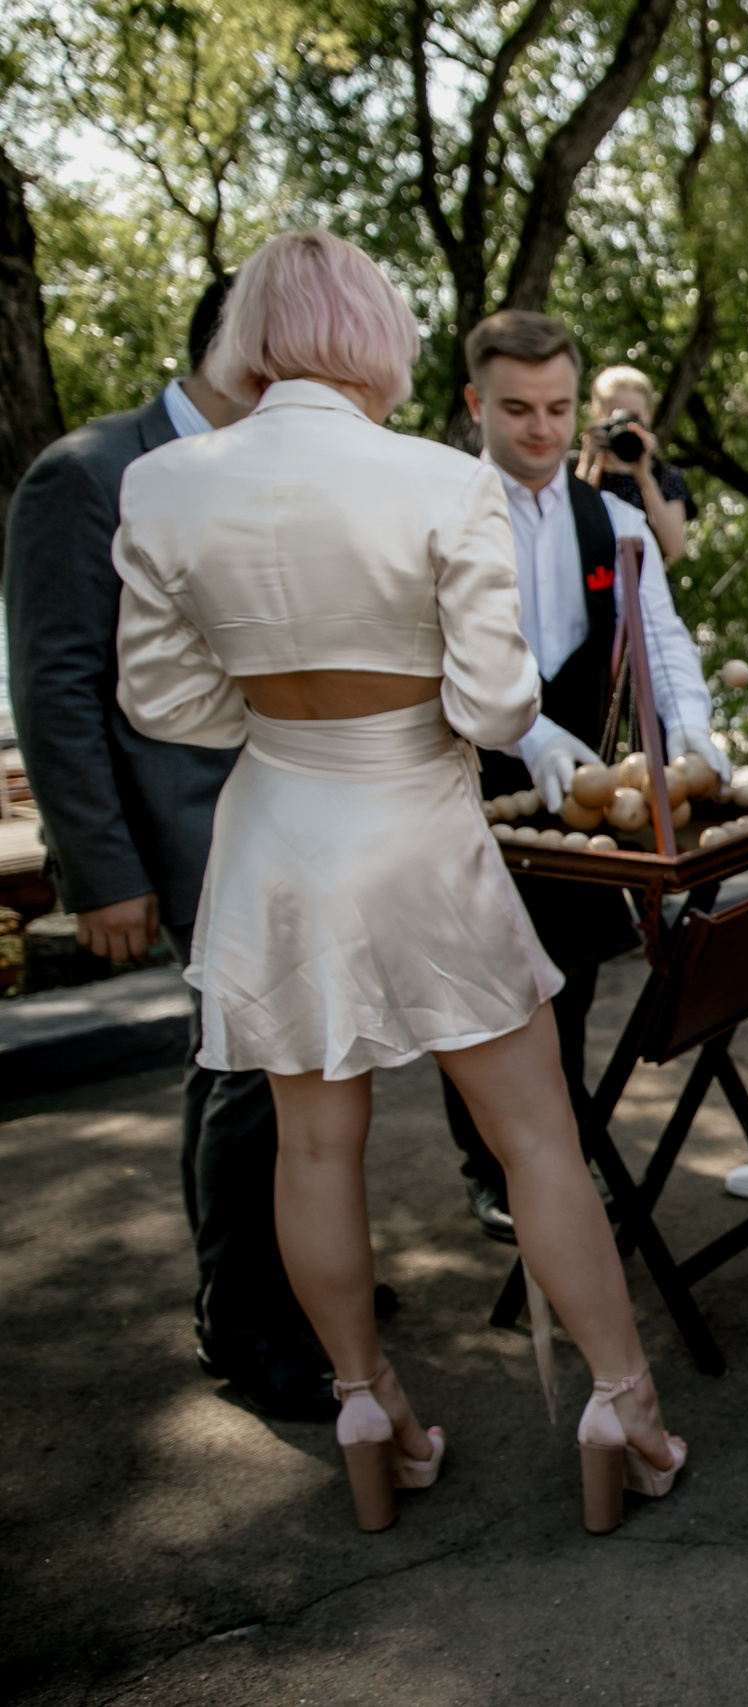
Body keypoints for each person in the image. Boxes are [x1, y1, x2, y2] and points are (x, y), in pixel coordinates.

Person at [111, 229, 683, 1533]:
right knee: (537, 1130)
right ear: (377, 338)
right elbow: (494, 704)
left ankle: (370, 1406)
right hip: (419, 827)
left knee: (314, 1141)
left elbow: (164, 699)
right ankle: (622, 1404)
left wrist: (285, 718)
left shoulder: (163, 483)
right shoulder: (436, 479)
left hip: (275, 834)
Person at [2, 276, 343, 1422]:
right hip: (180, 840)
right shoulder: (88, 474)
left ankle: (293, 1276)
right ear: (250, 354)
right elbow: (56, 688)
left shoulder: (272, 474)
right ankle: (245, 1323)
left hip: (289, 816)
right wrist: (102, 872)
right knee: (250, 1074)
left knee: (264, 1068)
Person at [438, 310, 728, 1242]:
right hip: (466, 780)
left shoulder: (614, 515)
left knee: (564, 980)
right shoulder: (438, 509)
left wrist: (696, 734)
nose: (542, 429)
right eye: (518, 408)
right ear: (476, 401)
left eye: (559, 407)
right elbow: (450, 655)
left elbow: (666, 645)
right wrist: (536, 742)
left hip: (583, 793)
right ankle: (493, 1166)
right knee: (485, 988)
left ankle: (554, 1157)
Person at [573, 364, 693, 566]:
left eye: (634, 417)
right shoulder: (574, 468)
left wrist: (644, 476)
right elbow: (566, 526)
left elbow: (674, 549)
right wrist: (589, 463)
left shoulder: (665, 477)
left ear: (649, 415)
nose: (626, 425)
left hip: (646, 591)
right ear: (598, 415)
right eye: (617, 416)